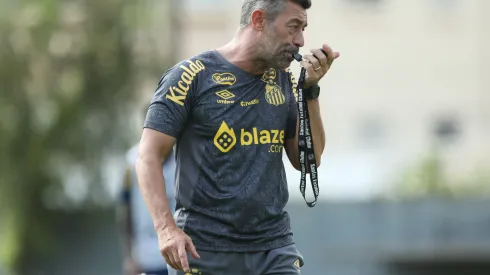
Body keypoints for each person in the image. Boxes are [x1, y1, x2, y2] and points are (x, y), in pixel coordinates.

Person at [136, 0, 340, 274]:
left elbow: (308, 160)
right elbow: (148, 156)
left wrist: (310, 91)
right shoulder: (190, 77)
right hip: (203, 249)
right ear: (258, 20)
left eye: (303, 29)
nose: (300, 40)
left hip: (273, 247)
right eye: (293, 27)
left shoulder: (286, 80)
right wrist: (165, 229)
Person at [117, 115, 177, 275]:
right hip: (146, 257)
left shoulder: (183, 157)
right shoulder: (131, 162)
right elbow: (125, 213)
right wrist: (129, 256)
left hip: (179, 255)